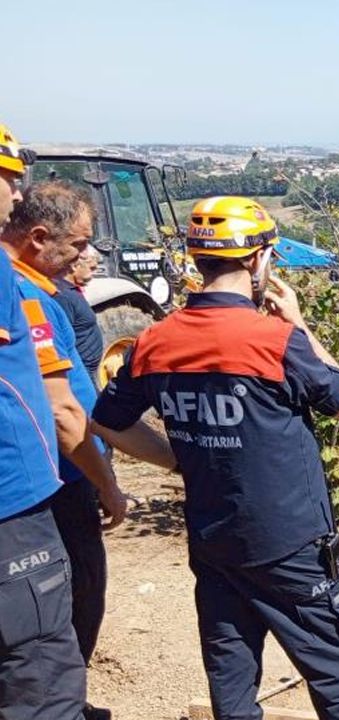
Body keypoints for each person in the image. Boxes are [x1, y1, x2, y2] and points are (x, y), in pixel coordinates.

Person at [92, 197, 339, 720]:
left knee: (232, 679)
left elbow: (107, 420)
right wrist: (300, 324)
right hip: (293, 545)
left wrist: (177, 459)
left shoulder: (154, 341)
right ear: (257, 260)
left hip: (214, 540)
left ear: (198, 260)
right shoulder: (276, 340)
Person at [0, 181, 131, 718]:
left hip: (51, 479)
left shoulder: (41, 292)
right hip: (51, 486)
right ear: (37, 237)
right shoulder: (27, 296)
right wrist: (106, 482)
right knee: (52, 631)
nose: (86, 256)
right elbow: (65, 413)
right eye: (77, 245)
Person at [0, 122, 89, 720]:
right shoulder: (17, 284)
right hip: (13, 507)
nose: (12, 197)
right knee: (42, 671)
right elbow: (62, 407)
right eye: (7, 182)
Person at [53, 246, 104, 381]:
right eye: (91, 268)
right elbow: (62, 337)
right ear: (75, 265)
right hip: (79, 372)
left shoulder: (72, 291)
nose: (92, 275)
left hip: (87, 371)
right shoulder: (63, 296)